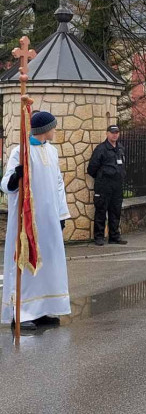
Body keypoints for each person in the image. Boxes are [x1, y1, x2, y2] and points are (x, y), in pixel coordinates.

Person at [1, 111, 71, 331]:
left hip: (49, 220)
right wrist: (15, 177)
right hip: (27, 221)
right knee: (26, 262)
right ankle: (21, 313)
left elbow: (59, 184)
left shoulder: (52, 151)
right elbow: (5, 184)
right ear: (44, 130)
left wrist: (61, 214)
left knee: (48, 263)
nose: (55, 130)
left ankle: (42, 310)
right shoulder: (20, 152)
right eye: (53, 127)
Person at [86, 124, 127, 245]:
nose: (115, 135)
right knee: (101, 211)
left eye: (117, 132)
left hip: (117, 186)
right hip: (104, 186)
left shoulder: (120, 148)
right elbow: (92, 168)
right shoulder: (101, 149)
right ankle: (99, 237)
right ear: (107, 134)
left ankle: (114, 236)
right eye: (112, 132)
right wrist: (102, 177)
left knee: (115, 211)